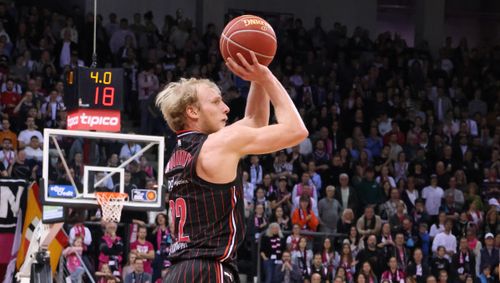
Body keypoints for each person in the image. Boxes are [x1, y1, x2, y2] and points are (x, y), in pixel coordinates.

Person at [160, 51, 308, 282]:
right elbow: (296, 130)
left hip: (180, 271)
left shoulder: (179, 154)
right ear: (192, 111)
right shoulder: (216, 146)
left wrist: (256, 77)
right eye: (216, 101)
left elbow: (255, 122)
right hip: (207, 271)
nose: (226, 107)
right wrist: (267, 77)